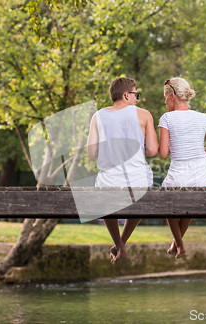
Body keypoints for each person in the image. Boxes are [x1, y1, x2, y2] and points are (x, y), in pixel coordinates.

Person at [87, 77, 158, 263]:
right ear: (126, 95)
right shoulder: (144, 115)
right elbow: (152, 151)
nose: (137, 99)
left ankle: (119, 245)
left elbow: (92, 153)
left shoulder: (97, 116)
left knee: (105, 195)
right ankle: (121, 243)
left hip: (108, 183)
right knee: (141, 193)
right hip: (138, 181)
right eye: (136, 95)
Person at [158, 77, 206, 258]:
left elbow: (162, 153)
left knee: (168, 200)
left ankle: (180, 244)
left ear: (173, 96)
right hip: (205, 177)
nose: (165, 102)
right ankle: (176, 245)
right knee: (191, 201)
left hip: (179, 176)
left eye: (165, 98)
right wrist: (198, 152)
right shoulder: (204, 117)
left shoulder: (166, 118)